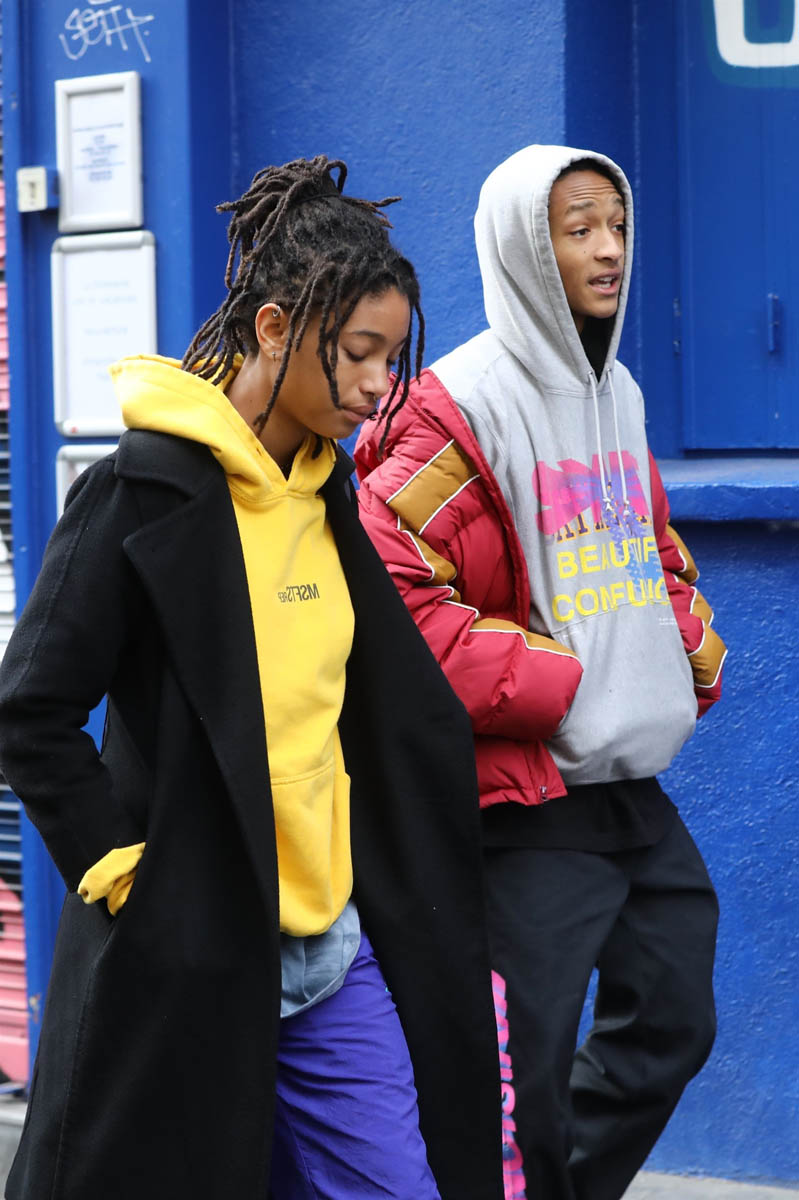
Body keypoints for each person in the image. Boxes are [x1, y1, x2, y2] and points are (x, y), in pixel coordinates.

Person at [0, 156, 503, 1200]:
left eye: (389, 356)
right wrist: (126, 873)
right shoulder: (141, 493)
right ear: (274, 328)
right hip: (190, 951)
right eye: (357, 353)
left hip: (331, 949)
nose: (378, 384)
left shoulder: (328, 497)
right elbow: (31, 710)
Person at [355, 145, 726, 1200]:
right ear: (524, 248)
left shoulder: (620, 393)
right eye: (578, 229)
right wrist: (560, 685)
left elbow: (648, 545)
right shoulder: (453, 405)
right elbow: (393, 591)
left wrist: (681, 648)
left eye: (617, 224)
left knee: (673, 1019)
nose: (609, 249)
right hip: (525, 799)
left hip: (629, 789)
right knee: (525, 1083)